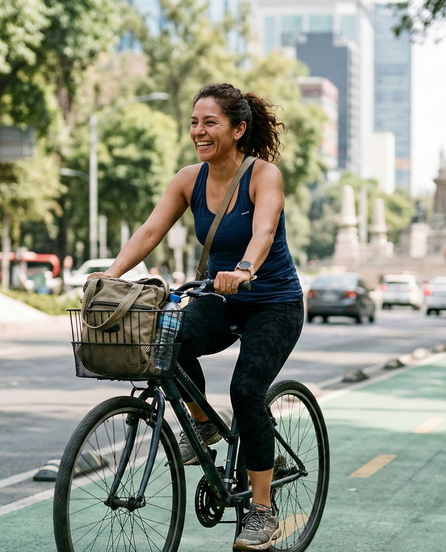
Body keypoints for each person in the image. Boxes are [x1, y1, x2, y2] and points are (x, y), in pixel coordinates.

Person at [86, 83, 303, 550]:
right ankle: (203, 422)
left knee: (246, 389)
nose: (198, 131)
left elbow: (264, 230)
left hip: (273, 301)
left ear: (238, 129)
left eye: (210, 122)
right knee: (166, 339)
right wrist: (109, 276)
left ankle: (261, 510)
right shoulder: (189, 178)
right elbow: (149, 232)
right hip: (220, 296)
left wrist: (245, 268)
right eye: (193, 122)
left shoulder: (264, 175)